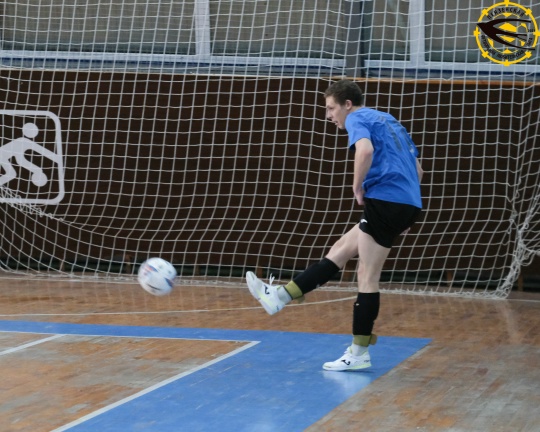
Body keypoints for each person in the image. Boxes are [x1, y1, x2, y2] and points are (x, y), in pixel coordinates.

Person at [246, 79, 424, 371]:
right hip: (405, 201)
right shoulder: (388, 120)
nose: (329, 115)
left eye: (331, 108)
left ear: (347, 105)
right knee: (340, 249)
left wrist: (357, 186)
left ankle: (359, 352)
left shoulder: (357, 118)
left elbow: (364, 151)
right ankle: (279, 296)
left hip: (386, 199)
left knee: (367, 275)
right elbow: (418, 168)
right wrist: (406, 211)